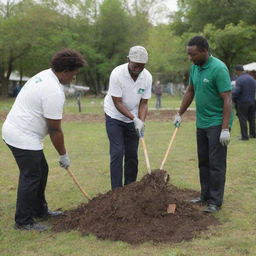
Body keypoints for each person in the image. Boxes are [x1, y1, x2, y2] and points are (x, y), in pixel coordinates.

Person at [2, 49, 86, 231]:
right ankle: (23, 221)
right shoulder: (53, 91)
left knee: (42, 170)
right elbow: (55, 129)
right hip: (21, 135)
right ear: (65, 71)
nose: (74, 78)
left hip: (18, 130)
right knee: (31, 175)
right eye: (74, 74)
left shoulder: (45, 74)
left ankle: (39, 210)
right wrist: (63, 155)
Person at [173, 36, 233, 213]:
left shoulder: (219, 68)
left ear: (204, 51)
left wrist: (224, 128)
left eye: (193, 55)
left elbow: (227, 98)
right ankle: (205, 195)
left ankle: (215, 201)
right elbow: (190, 91)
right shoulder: (195, 68)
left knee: (216, 164)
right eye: (188, 55)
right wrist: (179, 113)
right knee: (204, 162)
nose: (190, 58)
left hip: (217, 123)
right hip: (202, 123)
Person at [104, 46, 152, 189]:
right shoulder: (117, 74)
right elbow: (117, 102)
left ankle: (130, 189)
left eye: (141, 65)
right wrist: (134, 118)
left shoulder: (147, 77)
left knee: (132, 155)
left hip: (134, 118)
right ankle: (117, 191)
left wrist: (141, 121)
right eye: (135, 64)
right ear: (128, 60)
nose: (138, 67)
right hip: (114, 116)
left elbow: (144, 103)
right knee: (118, 153)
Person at [232, 65, 256, 140]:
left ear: (237, 71)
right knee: (252, 119)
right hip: (252, 101)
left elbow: (237, 92)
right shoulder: (252, 79)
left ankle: (244, 136)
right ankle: (253, 134)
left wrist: (231, 97)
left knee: (243, 119)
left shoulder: (240, 79)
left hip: (242, 102)